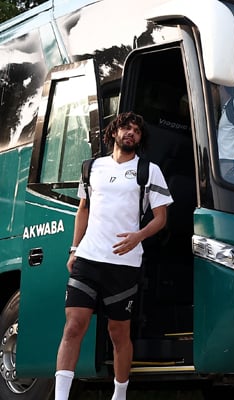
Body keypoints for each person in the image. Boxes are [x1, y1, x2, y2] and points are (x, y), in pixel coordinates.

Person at [54, 112, 173, 400]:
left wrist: (138, 237)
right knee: (73, 327)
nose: (130, 133)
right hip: (88, 259)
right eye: (125, 127)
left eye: (136, 130)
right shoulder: (92, 167)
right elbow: (83, 209)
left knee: (118, 334)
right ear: (113, 132)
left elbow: (161, 218)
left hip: (124, 264)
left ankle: (118, 396)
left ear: (140, 139)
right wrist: (74, 248)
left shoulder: (149, 170)